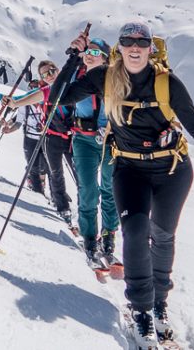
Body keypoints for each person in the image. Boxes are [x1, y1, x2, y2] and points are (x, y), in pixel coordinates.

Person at [53, 21, 194, 346]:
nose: (134, 47)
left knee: (163, 236)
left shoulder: (166, 84)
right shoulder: (104, 77)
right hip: (129, 170)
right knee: (135, 232)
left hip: (172, 171)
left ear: (151, 47)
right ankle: (141, 310)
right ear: (119, 47)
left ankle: (160, 302)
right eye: (127, 41)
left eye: (141, 42)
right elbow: (57, 98)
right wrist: (74, 59)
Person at [0, 60, 77, 225]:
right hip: (50, 137)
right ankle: (61, 206)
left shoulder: (72, 87)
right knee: (54, 172)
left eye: (52, 71)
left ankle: (79, 209)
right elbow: (18, 100)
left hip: (72, 137)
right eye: (45, 74)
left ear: (58, 70)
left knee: (77, 174)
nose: (49, 75)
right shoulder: (43, 92)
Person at [68, 37, 121, 276]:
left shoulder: (115, 80)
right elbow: (55, 92)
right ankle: (90, 238)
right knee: (89, 189)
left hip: (110, 141)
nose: (89, 55)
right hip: (84, 140)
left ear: (106, 58)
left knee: (109, 188)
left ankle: (109, 234)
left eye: (95, 52)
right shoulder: (76, 77)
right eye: (87, 51)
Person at [0, 79, 48, 195]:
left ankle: (41, 186)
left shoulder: (46, 103)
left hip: (45, 139)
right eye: (31, 88)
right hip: (30, 138)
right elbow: (19, 122)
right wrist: (9, 129)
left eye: (36, 88)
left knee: (45, 166)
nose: (34, 91)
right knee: (33, 165)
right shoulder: (24, 105)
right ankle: (37, 191)